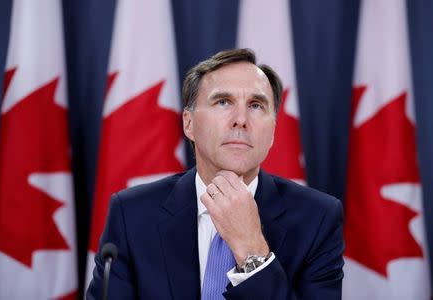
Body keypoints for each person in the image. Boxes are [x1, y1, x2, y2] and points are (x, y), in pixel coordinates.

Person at [87, 48, 344, 299]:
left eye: (256, 105)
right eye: (223, 102)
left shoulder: (318, 219)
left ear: (273, 131)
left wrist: (252, 249)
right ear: (189, 124)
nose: (241, 119)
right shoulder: (132, 214)